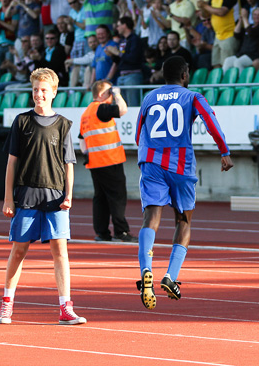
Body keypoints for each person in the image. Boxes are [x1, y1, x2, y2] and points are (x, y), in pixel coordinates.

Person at [134, 55, 231, 310]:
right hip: (181, 165)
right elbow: (211, 123)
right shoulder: (192, 96)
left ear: (163, 74)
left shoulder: (149, 97)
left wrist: (149, 155)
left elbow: (137, 134)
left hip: (152, 163)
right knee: (184, 220)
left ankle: (146, 270)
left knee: (150, 217)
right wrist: (224, 152)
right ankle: (171, 276)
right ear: (185, 75)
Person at [0, 68, 86, 326]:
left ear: (54, 92)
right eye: (35, 89)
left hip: (56, 195)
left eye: (44, 90)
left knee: (60, 251)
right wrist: (8, 198)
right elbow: (11, 163)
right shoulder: (21, 122)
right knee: (19, 250)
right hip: (26, 194)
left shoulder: (63, 124)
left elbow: (69, 163)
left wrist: (69, 194)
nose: (39, 94)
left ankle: (65, 307)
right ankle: (6, 304)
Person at [79, 80, 135, 243]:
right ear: (102, 94)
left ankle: (102, 232)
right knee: (117, 197)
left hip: (94, 162)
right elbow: (123, 110)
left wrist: (87, 155)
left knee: (100, 199)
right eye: (108, 93)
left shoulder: (86, 113)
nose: (111, 97)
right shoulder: (101, 108)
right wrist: (117, 93)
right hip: (109, 160)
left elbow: (82, 140)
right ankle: (121, 231)